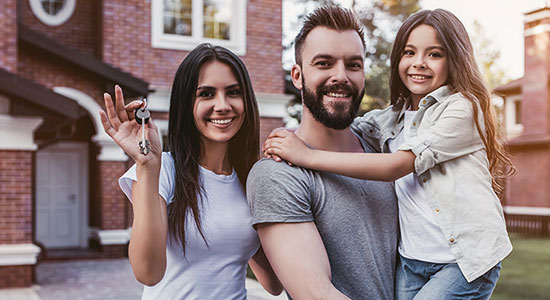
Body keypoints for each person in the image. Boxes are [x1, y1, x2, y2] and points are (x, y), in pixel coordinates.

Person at [264, 8, 514, 300]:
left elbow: (399, 165)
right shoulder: (392, 119)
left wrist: (305, 155)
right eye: (409, 52)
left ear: (454, 61)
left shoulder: (461, 109)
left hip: (462, 261)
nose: (419, 63)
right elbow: (334, 120)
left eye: (434, 54)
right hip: (412, 261)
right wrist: (291, 135)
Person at [99, 43, 282, 300]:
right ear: (187, 104)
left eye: (233, 92)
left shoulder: (252, 180)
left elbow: (274, 283)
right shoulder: (162, 171)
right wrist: (148, 167)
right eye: (206, 94)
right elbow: (148, 272)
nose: (222, 105)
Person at [246, 6, 398, 300]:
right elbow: (316, 294)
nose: (341, 76)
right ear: (298, 76)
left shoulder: (382, 146)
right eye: (324, 63)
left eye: (354, 65)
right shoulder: (278, 175)